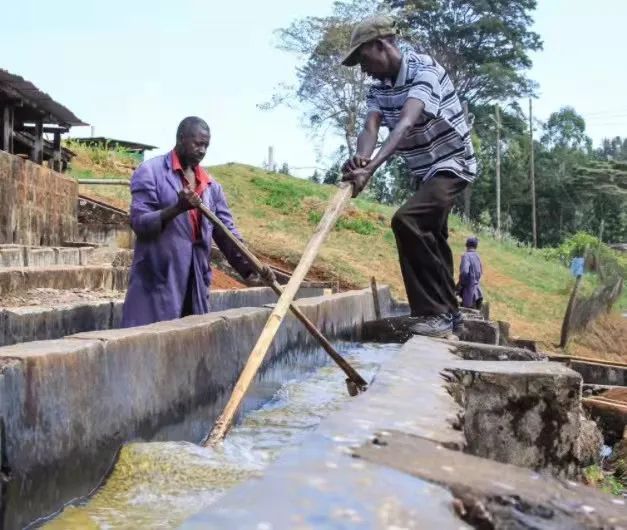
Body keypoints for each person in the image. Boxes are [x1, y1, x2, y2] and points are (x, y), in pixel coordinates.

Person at [340, 15, 477, 337]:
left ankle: (434, 314)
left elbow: (404, 124)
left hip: (452, 164)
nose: (363, 68)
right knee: (432, 236)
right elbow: (370, 128)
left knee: (407, 220)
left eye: (363, 59)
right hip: (423, 171)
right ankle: (451, 315)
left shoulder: (424, 71)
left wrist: (371, 170)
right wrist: (361, 160)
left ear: (381, 45)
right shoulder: (378, 90)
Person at [121, 116, 270, 327]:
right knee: (149, 345)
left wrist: (254, 266)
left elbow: (227, 233)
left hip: (196, 284)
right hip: (158, 282)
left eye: (206, 146)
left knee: (188, 346)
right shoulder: (150, 172)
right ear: (181, 138)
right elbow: (139, 223)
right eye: (197, 143)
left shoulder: (210, 186)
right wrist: (176, 209)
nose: (202, 150)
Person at [457, 236, 483, 310]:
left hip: (469, 294)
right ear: (476, 246)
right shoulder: (478, 256)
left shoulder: (466, 256)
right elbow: (480, 272)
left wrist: (461, 284)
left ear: (466, 245)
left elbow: (465, 272)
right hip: (478, 293)